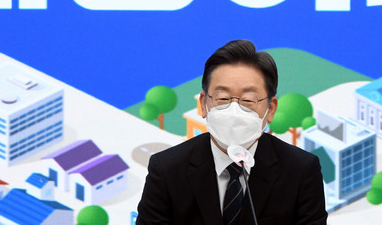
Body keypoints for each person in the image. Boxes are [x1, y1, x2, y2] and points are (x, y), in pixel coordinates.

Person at [137, 39, 328, 225]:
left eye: (248, 100)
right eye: (222, 98)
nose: (234, 111)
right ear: (203, 104)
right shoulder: (167, 170)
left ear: (271, 109)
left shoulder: (301, 171)